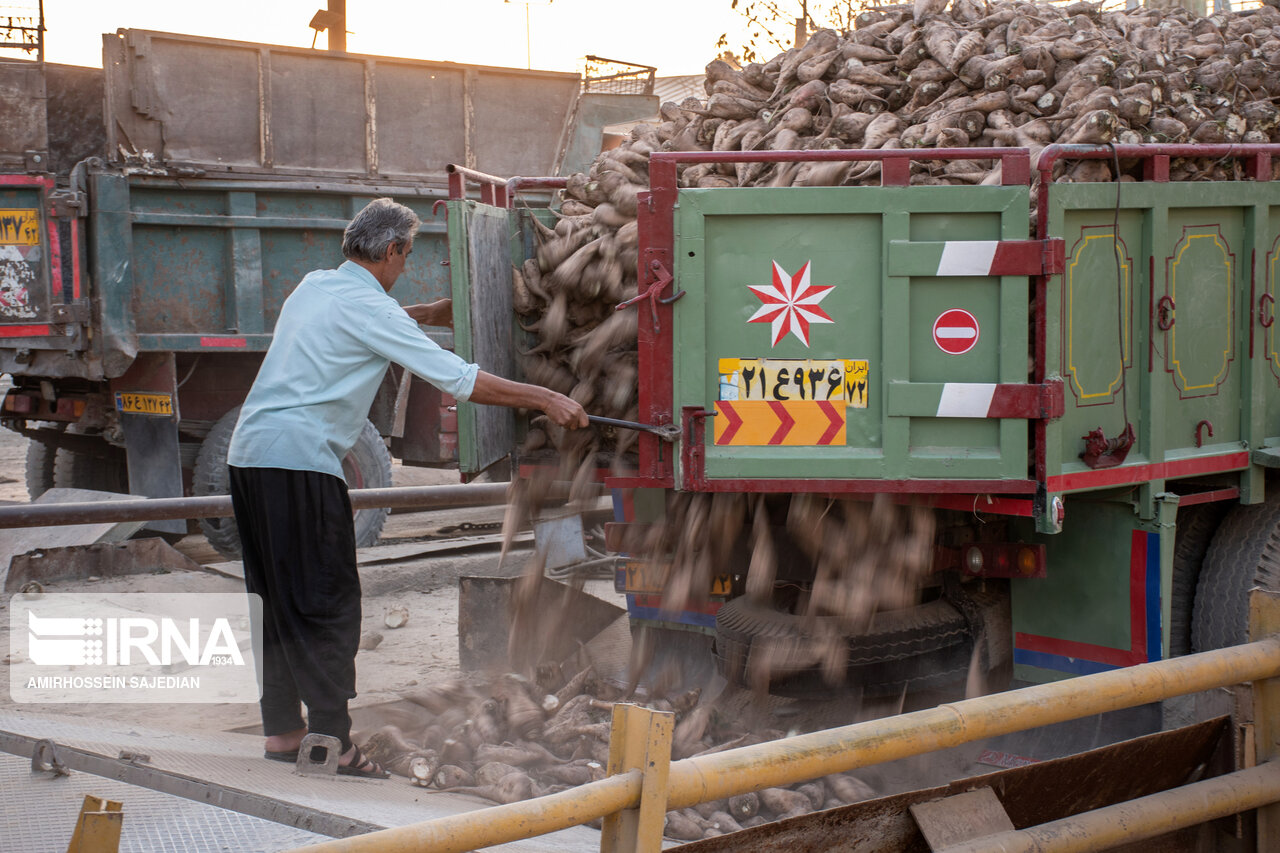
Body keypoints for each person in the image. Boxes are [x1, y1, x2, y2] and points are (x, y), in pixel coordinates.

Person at [227, 198, 587, 777]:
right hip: (301, 463)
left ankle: (284, 731)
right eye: (407, 255)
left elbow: (370, 318)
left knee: (274, 600)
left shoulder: (315, 286)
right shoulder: (373, 310)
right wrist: (546, 398)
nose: (405, 265)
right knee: (326, 601)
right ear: (392, 250)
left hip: (250, 459)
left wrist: (428, 311)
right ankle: (333, 741)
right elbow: (461, 380)